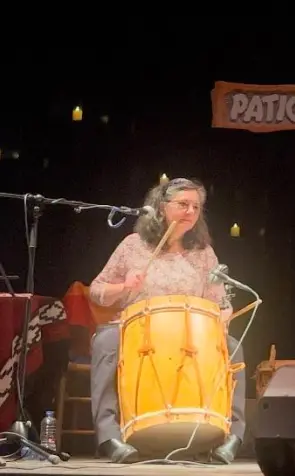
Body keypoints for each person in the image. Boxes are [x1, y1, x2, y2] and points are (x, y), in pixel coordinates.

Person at [88, 178, 245, 464]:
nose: (191, 211)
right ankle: (110, 436)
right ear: (161, 207)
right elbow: (97, 291)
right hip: (138, 331)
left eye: (196, 206)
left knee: (233, 346)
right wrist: (124, 286)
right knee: (105, 341)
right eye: (183, 204)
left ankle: (231, 436)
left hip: (190, 335)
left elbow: (221, 304)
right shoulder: (133, 246)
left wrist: (222, 318)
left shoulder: (204, 254)